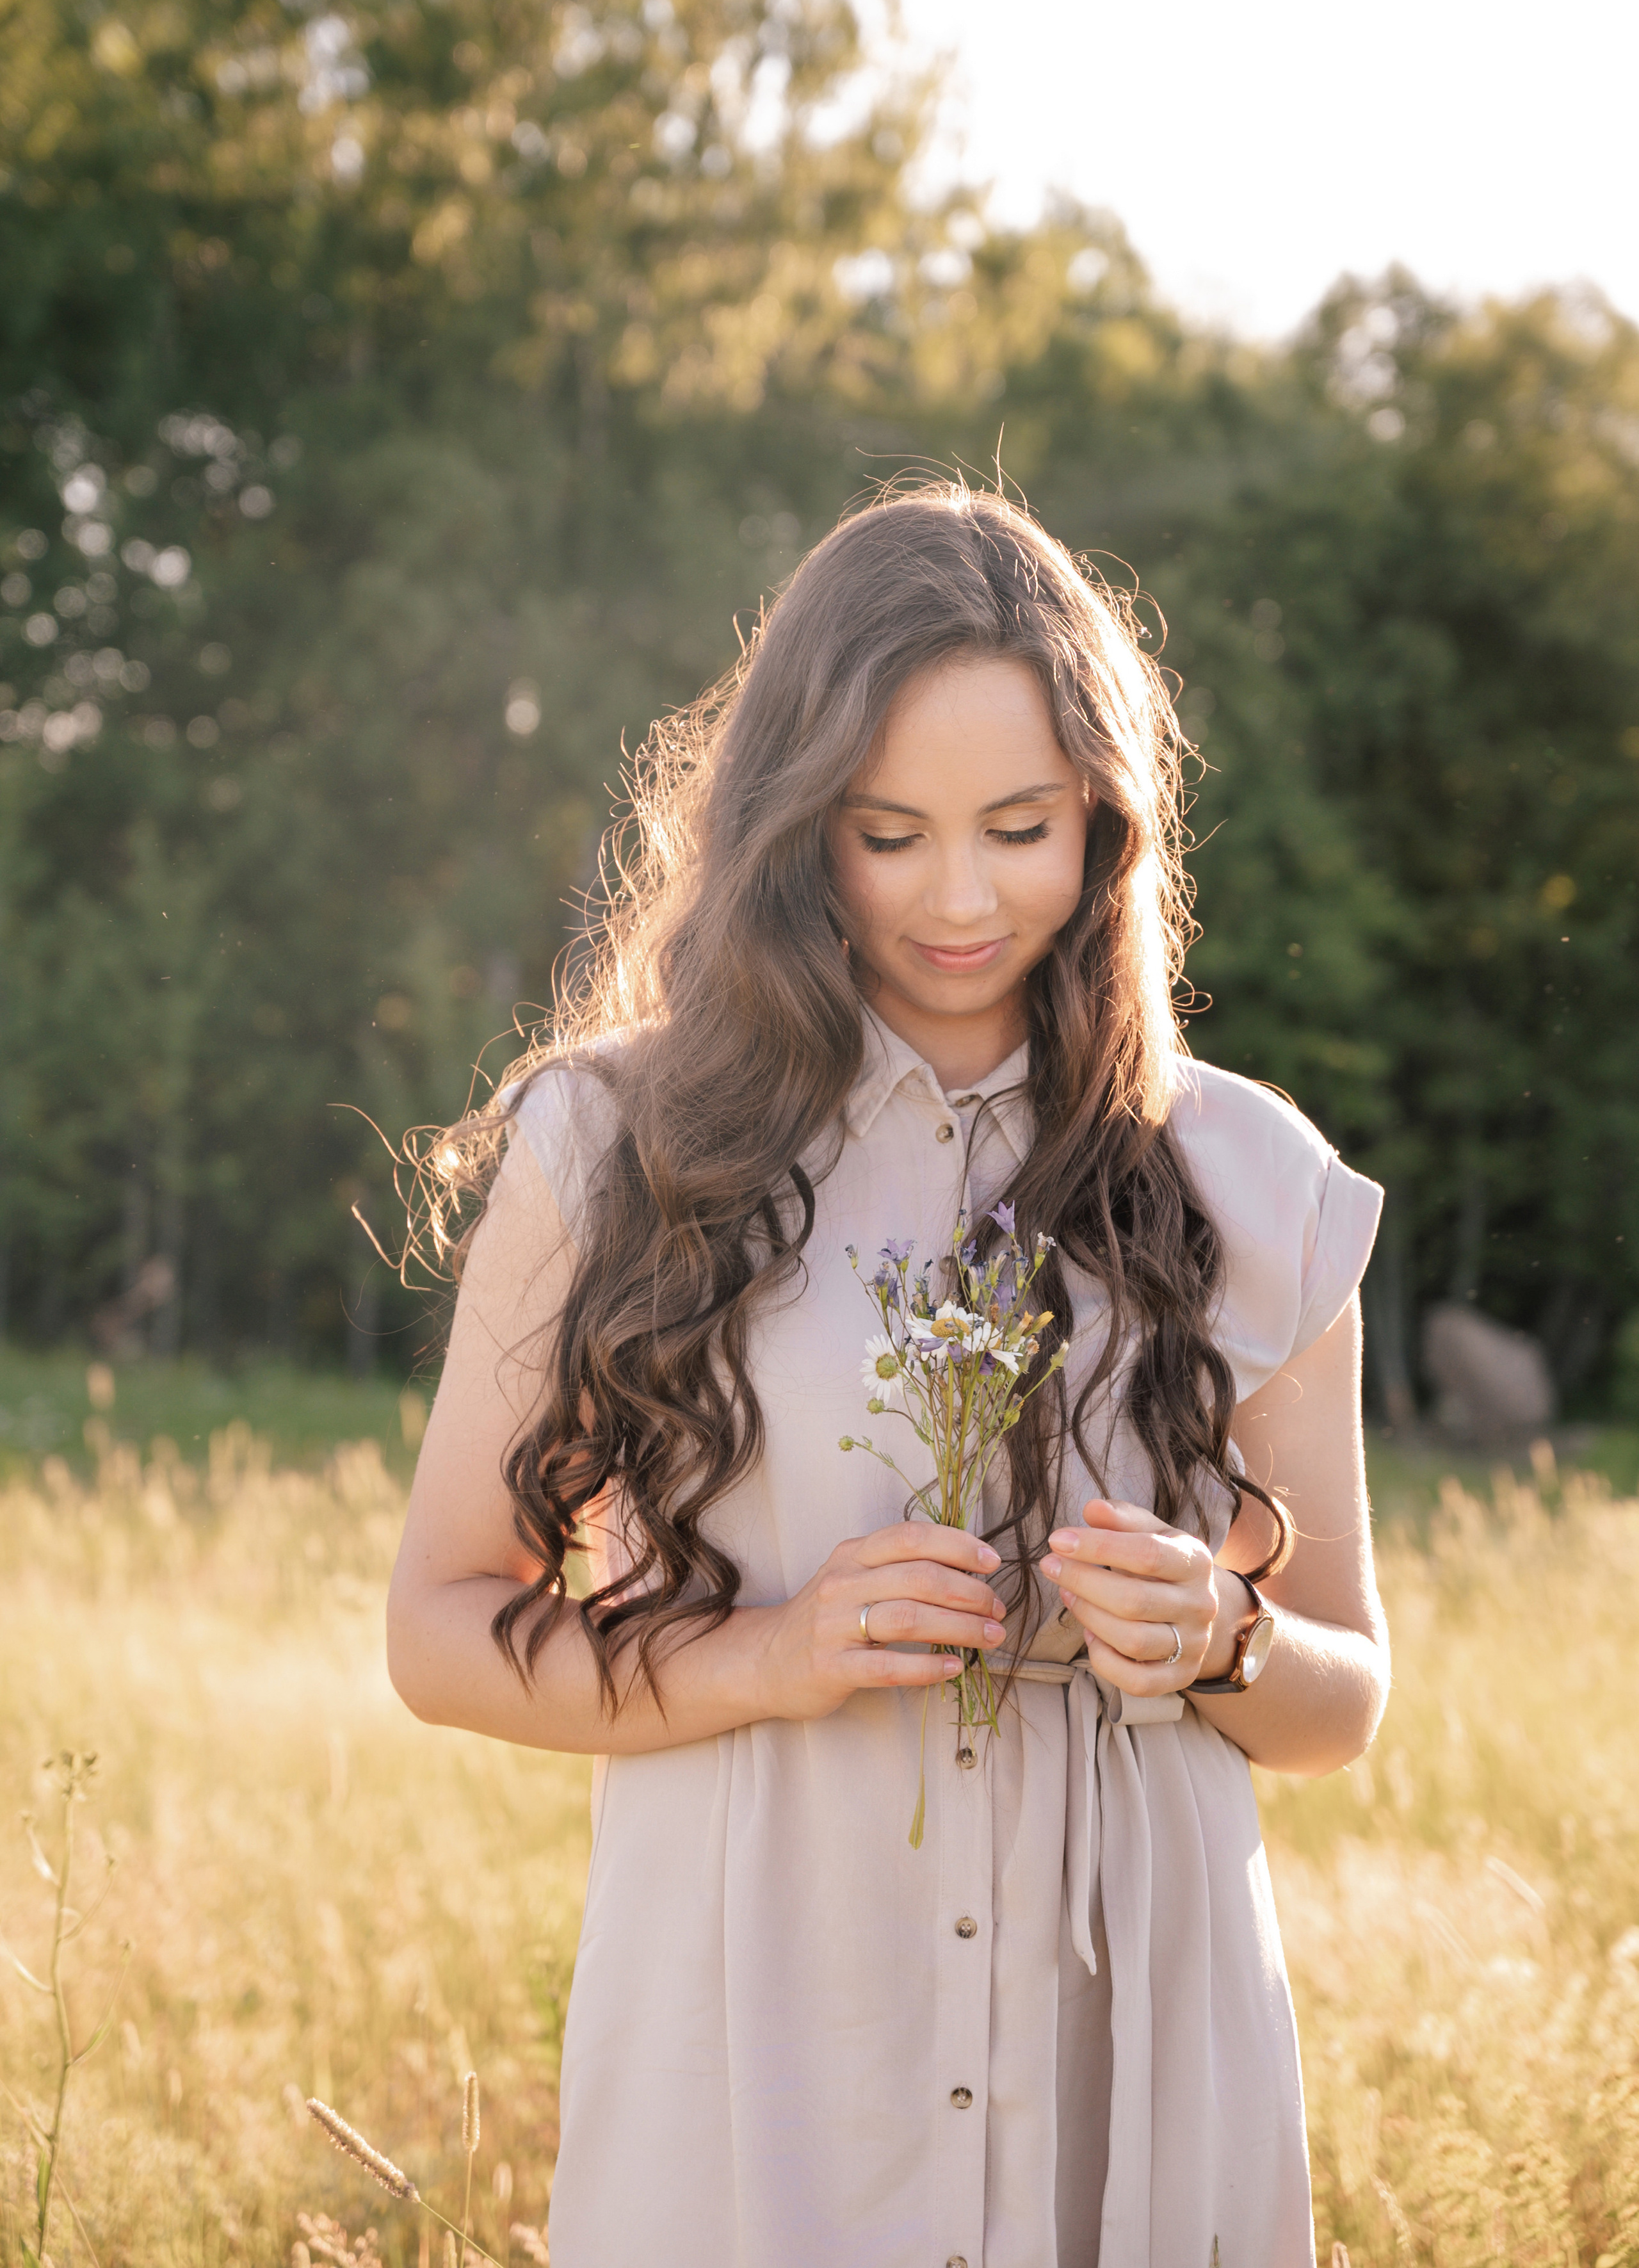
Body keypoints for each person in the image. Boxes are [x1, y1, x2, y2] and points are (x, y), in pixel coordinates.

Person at [386, 483, 1389, 2268]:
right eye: (886, 831)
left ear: (1107, 820)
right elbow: (441, 1628)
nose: (957, 897)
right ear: (795, 827)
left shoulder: (1252, 1178)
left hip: (1138, 2052)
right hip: (762, 2050)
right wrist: (767, 1652)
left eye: (1019, 827)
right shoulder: (613, 1144)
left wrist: (1215, 1635)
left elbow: (1344, 1696)